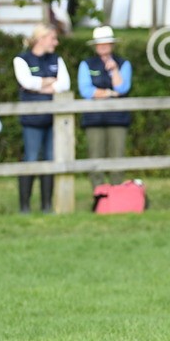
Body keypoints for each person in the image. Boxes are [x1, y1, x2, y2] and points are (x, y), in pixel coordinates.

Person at [13, 24, 70, 213]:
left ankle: (46, 206)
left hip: (52, 118)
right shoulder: (22, 59)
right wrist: (49, 81)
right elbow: (26, 82)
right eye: (53, 38)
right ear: (41, 39)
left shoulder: (56, 59)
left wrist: (39, 85)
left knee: (50, 159)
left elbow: (64, 84)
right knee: (31, 159)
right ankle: (25, 206)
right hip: (32, 119)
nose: (56, 42)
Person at [77, 26, 133, 189]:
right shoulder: (87, 64)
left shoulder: (123, 63)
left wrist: (115, 70)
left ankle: (117, 190)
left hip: (118, 118)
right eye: (99, 43)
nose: (102, 46)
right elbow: (86, 91)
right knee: (96, 155)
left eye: (106, 43)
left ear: (112, 44)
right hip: (93, 118)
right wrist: (109, 92)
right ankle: (99, 191)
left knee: (117, 155)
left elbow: (122, 89)